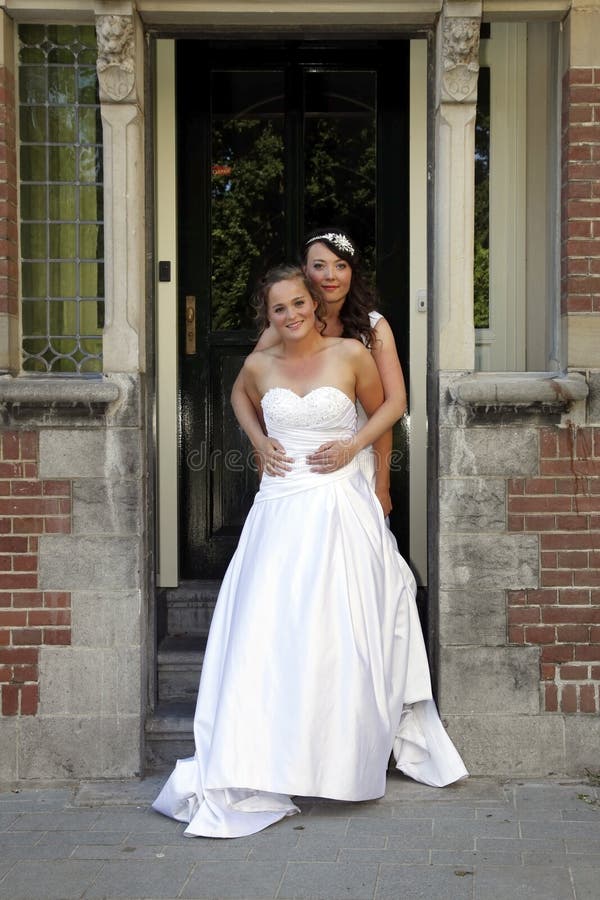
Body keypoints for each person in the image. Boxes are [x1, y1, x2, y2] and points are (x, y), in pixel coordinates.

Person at [152, 265, 468, 839]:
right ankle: (265, 752)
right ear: (267, 316)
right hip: (279, 508)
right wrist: (257, 440)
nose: (291, 315)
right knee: (269, 628)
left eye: (299, 303)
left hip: (335, 505)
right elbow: (238, 397)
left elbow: (388, 408)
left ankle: (338, 758)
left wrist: (355, 448)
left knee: (333, 627)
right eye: (279, 309)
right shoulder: (258, 364)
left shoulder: (351, 353)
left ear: (312, 305)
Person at [231, 228, 405, 517]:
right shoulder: (290, 322)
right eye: (319, 266)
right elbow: (242, 391)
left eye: (340, 266)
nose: (330, 276)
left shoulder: (373, 328)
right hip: (294, 472)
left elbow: (395, 403)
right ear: (305, 272)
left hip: (356, 455)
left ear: (352, 271)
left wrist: (371, 471)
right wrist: (259, 442)